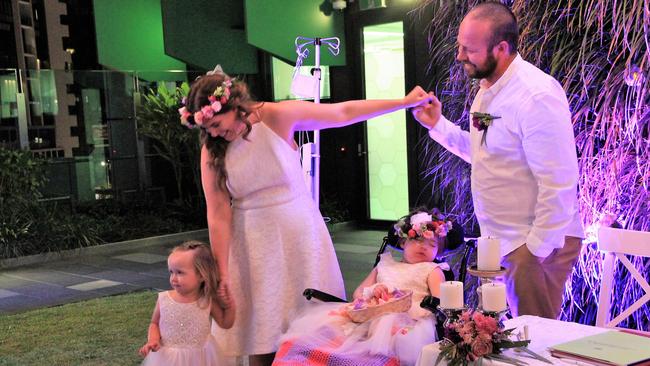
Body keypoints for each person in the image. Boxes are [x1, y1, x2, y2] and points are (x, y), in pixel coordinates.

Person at [179, 67, 433, 366]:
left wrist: (402, 102)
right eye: (207, 130)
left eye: (218, 125)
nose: (215, 134)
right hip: (252, 244)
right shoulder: (212, 149)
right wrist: (221, 273)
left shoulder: (276, 116)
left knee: (318, 327)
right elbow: (218, 213)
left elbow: (342, 112)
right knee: (261, 332)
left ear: (234, 106)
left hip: (299, 235)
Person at [412, 2, 583, 319]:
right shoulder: (487, 90)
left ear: (501, 48)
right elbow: (484, 153)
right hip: (503, 243)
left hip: (532, 245)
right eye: (460, 46)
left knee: (535, 345)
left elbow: (559, 181)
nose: (460, 55)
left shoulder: (536, 96)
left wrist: (534, 251)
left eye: (469, 49)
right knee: (513, 343)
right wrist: (438, 126)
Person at [273, 208, 464, 366]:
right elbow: (358, 293)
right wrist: (373, 291)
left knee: (367, 351)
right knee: (312, 338)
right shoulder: (386, 265)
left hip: (406, 320)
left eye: (432, 244)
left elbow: (441, 304)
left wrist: (408, 307)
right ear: (403, 241)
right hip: (370, 314)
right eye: (418, 240)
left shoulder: (431, 270)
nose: (423, 247)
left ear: (438, 251)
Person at [139, 240, 235, 365]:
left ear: (201, 275)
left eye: (180, 272)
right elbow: (154, 323)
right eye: (171, 272)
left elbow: (225, 323)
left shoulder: (206, 300)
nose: (173, 278)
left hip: (200, 358)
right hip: (168, 358)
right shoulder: (164, 299)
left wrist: (229, 307)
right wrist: (153, 339)